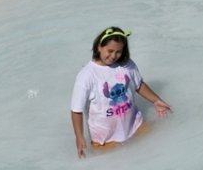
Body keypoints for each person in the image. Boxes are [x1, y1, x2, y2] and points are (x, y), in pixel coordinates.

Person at [70, 27, 172, 158]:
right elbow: (76, 110)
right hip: (106, 139)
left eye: (118, 52)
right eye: (110, 51)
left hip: (136, 126)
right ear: (99, 47)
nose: (113, 56)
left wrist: (156, 101)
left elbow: (138, 85)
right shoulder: (87, 75)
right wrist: (79, 137)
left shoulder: (126, 65)